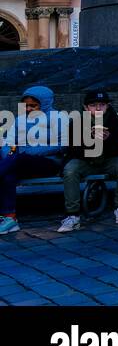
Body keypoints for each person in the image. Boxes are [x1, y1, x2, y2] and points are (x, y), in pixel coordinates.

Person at [55, 91, 118, 233]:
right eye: (93, 105)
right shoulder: (77, 122)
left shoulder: (115, 121)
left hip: (108, 160)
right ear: (86, 107)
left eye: (102, 105)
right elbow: (73, 150)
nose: (98, 109)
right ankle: (72, 215)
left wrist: (108, 139)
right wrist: (90, 140)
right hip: (85, 161)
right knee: (70, 170)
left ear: (107, 106)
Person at [0, 86, 66, 235]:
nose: (29, 109)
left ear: (45, 103)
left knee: (17, 159)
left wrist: (28, 151)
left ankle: (10, 218)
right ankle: (10, 219)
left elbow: (63, 145)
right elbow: (9, 143)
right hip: (20, 161)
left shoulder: (59, 118)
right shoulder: (20, 120)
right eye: (26, 105)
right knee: (8, 172)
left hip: (48, 162)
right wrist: (9, 155)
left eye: (33, 105)